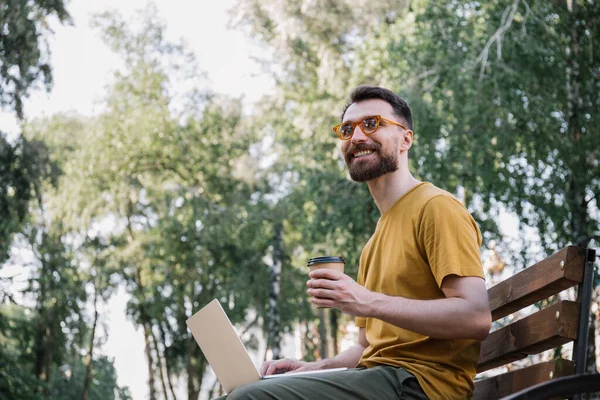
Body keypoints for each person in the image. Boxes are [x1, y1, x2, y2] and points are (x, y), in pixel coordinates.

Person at [216, 86, 492, 399]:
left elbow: (475, 317)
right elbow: (366, 348)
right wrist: (312, 368)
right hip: (380, 379)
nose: (357, 137)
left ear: (406, 139)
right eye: (348, 129)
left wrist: (364, 300)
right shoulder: (374, 243)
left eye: (372, 124)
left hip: (420, 387)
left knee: (249, 399)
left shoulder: (436, 207)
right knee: (245, 390)